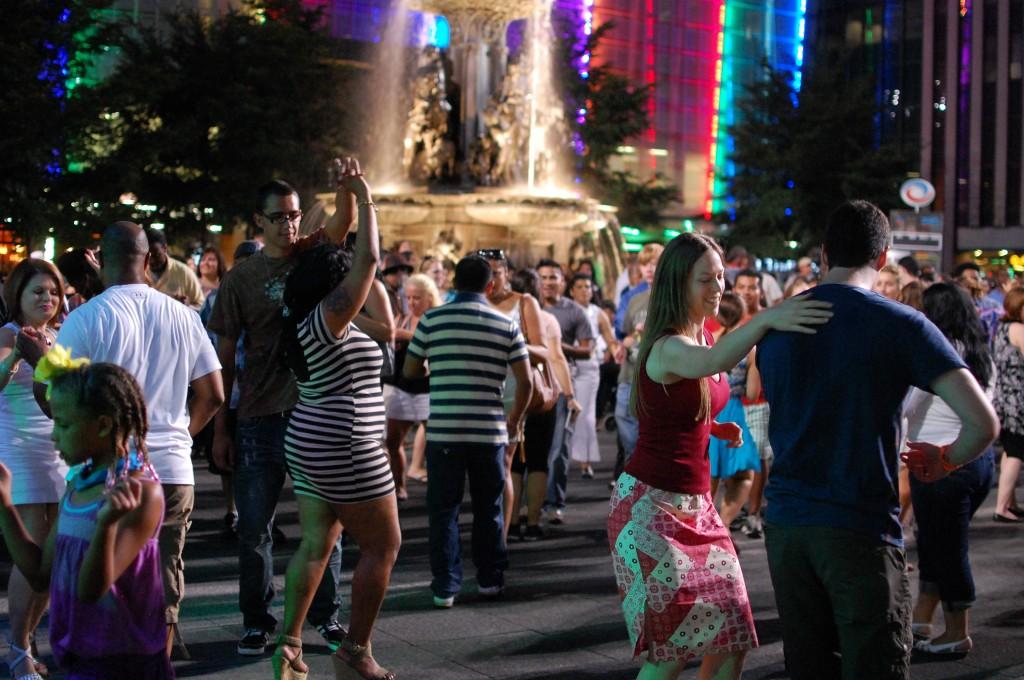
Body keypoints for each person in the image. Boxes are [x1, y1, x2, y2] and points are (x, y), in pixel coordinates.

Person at [757, 200, 999, 680]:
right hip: (859, 523)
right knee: (875, 665)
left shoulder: (776, 325)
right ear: (883, 256)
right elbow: (983, 423)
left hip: (787, 524)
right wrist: (946, 459)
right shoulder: (902, 324)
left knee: (808, 666)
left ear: (823, 255)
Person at [608, 232, 832, 680]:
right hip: (650, 509)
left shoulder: (701, 334)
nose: (719, 289)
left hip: (696, 506)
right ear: (676, 285)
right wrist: (771, 316)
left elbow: (682, 397)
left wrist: (709, 425)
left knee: (731, 637)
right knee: (671, 652)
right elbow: (711, 365)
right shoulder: (670, 344)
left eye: (721, 277)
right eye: (705, 280)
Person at [18, 222, 225, 659]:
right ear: (149, 259)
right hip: (170, 470)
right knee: (161, 588)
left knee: (99, 580)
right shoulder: (184, 316)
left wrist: (68, 428)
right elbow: (214, 394)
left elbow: (47, 386)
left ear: (102, 261)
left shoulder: (87, 317)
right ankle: (158, 664)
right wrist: (180, 438)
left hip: (106, 472)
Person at [207, 169, 356, 656]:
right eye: (279, 218)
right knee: (255, 528)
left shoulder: (310, 254)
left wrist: (350, 187)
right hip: (258, 416)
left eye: (294, 216)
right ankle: (257, 619)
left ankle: (327, 616)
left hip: (313, 411)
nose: (290, 225)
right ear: (259, 222)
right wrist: (221, 427)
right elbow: (225, 358)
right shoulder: (240, 280)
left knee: (325, 524)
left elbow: (344, 222)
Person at [273, 158, 400, 680]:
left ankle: (288, 646)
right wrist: (367, 196)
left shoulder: (304, 318)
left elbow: (347, 251)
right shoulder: (329, 320)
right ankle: (356, 649)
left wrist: (345, 192)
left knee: (317, 542)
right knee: (384, 545)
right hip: (346, 443)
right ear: (334, 287)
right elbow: (367, 256)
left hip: (309, 439)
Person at [0, 357, 172, 679]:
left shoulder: (141, 493)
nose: (54, 436)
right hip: (80, 658)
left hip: (126, 663)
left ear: (103, 425)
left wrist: (106, 526)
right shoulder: (78, 484)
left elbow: (92, 591)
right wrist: (4, 505)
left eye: (63, 425)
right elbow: (40, 575)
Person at [403, 255, 532, 608]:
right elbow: (526, 381)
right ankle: (490, 580)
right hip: (489, 432)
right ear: (490, 286)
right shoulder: (505, 323)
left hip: (444, 431)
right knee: (488, 508)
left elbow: (411, 370)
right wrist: (515, 418)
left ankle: (445, 586)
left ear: (454, 283)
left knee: (443, 511)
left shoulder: (432, 319)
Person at [905, 283, 996, 655]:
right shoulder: (977, 351)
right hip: (977, 461)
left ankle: (957, 631)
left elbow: (907, 402)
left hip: (942, 463)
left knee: (947, 547)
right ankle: (921, 618)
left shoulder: (936, 353)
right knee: (936, 542)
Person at [0, 260, 67, 680]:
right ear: (18, 297)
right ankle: (16, 647)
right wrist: (15, 357)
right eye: (37, 292)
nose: (47, 299)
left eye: (53, 292)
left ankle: (27, 637)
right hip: (19, 452)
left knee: (55, 559)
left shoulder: (62, 336)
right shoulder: (8, 334)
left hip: (59, 450)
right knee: (32, 555)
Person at [479, 250, 548, 539]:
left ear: (507, 272)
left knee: (507, 466)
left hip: (514, 395)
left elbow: (543, 351)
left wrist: (509, 340)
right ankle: (490, 528)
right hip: (479, 396)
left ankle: (503, 533)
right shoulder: (473, 302)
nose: (491, 279)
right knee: (484, 471)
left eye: (496, 272)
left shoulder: (524, 303)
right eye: (485, 273)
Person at [536, 259, 592, 523]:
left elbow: (587, 349)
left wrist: (557, 346)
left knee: (559, 449)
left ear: (562, 281)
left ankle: (554, 502)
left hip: (562, 381)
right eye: (543, 277)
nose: (548, 282)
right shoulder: (527, 308)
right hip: (533, 382)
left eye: (553, 277)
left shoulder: (575, 312)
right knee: (531, 448)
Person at [706, 292, 761, 534]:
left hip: (710, 411)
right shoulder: (749, 348)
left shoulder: (708, 341)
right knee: (743, 476)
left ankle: (704, 524)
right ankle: (724, 523)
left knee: (708, 476)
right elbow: (752, 392)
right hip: (735, 412)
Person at [384, 273, 442, 501]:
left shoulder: (437, 320)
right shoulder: (401, 319)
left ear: (429, 298)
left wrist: (406, 336)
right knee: (393, 441)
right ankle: (399, 486)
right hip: (400, 387)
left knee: (438, 443)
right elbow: (390, 334)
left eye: (417, 297)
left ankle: (439, 487)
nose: (412, 302)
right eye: (408, 297)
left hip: (429, 390)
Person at [567, 273, 615, 478]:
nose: (585, 290)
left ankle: (585, 461)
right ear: (571, 290)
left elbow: (611, 339)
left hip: (589, 368)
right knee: (565, 415)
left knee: (586, 414)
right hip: (566, 366)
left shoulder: (597, 313)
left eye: (588, 286)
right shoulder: (564, 310)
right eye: (580, 286)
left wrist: (616, 351)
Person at [992, 287, 1024, 522]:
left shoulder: (1001, 328)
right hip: (1018, 398)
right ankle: (1002, 507)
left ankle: (1009, 502)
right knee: (1017, 451)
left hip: (1003, 397)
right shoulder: (1019, 330)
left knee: (1009, 450)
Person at [144, 228, 205, 310]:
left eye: (156, 255)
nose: (151, 261)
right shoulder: (139, 272)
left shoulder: (184, 273)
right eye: (147, 256)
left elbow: (202, 308)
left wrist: (187, 306)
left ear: (165, 248)